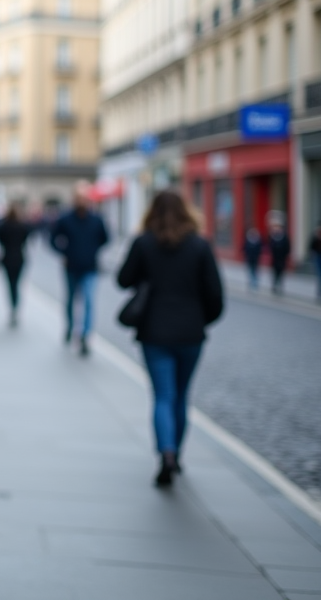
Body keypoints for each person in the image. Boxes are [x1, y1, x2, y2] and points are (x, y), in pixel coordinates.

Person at [117, 190, 223, 487]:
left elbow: (123, 279)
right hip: (190, 333)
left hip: (154, 332)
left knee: (163, 395)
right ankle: (177, 452)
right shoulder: (200, 245)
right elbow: (215, 296)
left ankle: (166, 453)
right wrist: (201, 320)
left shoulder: (143, 242)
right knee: (181, 395)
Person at [51, 183, 109, 356]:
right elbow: (53, 238)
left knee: (89, 300)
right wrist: (63, 252)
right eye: (79, 198)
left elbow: (105, 238)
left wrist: (93, 250)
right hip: (71, 267)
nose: (82, 201)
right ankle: (70, 327)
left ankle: (85, 335)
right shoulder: (65, 219)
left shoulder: (96, 219)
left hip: (90, 267)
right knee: (71, 300)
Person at [0, 203, 30, 327]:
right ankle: (15, 306)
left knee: (11, 285)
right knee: (16, 284)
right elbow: (26, 239)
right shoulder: (22, 226)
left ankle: (13, 307)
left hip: (7, 258)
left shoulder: (4, 226)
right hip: (19, 258)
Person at [267, 215, 291, 295]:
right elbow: (270, 246)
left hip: (282, 259)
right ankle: (274, 286)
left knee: (281, 274)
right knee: (274, 274)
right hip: (275, 259)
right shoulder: (273, 237)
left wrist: (286, 256)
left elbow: (287, 247)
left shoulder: (284, 237)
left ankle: (280, 286)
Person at [243, 226, 263, 291]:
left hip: (255, 259)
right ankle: (251, 282)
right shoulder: (248, 241)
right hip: (249, 259)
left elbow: (259, 250)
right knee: (250, 271)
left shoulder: (257, 241)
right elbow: (245, 249)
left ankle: (255, 283)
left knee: (255, 271)